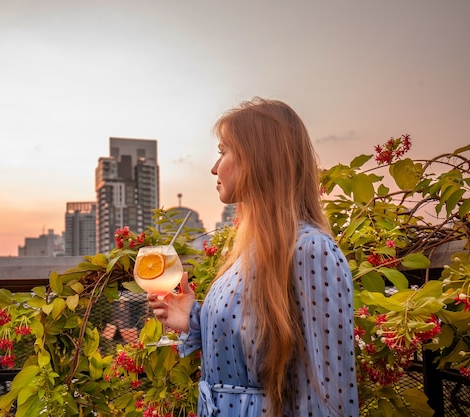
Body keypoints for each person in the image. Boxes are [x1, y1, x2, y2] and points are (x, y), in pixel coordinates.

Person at [147, 98, 358, 417]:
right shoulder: (248, 252)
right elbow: (252, 343)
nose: (214, 168)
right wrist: (193, 318)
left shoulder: (310, 250)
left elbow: (330, 394)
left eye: (223, 151)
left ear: (256, 158)